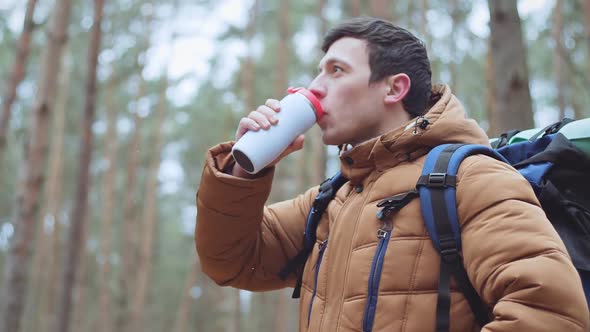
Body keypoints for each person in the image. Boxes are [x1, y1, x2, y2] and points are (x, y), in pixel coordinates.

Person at [195, 17, 589, 331]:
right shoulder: (332, 199)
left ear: (394, 88)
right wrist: (242, 171)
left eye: (336, 70)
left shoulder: (473, 178)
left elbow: (551, 314)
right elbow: (230, 260)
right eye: (318, 72)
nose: (314, 87)